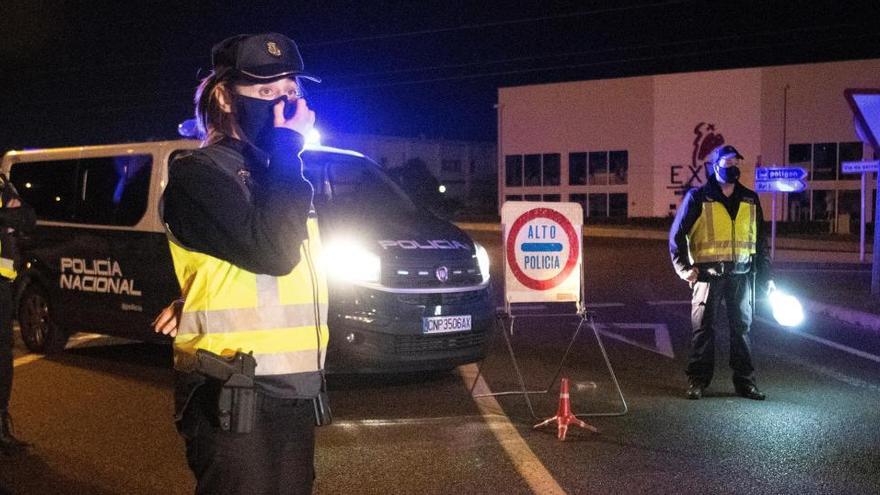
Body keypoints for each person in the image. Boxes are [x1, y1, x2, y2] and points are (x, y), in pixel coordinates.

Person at [153, 32, 329, 494]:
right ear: (224, 98)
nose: (282, 105)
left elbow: (272, 269)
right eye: (266, 92)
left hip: (293, 388)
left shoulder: (280, 173)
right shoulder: (199, 173)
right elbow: (272, 251)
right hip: (228, 387)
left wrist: (188, 300)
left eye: (291, 92)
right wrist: (289, 150)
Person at [669, 144, 772, 401]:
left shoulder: (750, 199)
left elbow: (760, 243)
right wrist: (684, 268)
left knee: (742, 330)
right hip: (707, 276)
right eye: (728, 164)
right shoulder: (698, 197)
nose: (733, 168)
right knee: (704, 330)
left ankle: (745, 383)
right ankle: (698, 381)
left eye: (737, 163)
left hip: (742, 275)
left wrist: (766, 277)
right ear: (715, 167)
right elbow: (676, 236)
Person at [0, 174, 36, 455]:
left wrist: (9, 217)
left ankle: (1, 427)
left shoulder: (3, 183)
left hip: (2, 285)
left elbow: (27, 217)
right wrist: (6, 215)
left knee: (3, 359)